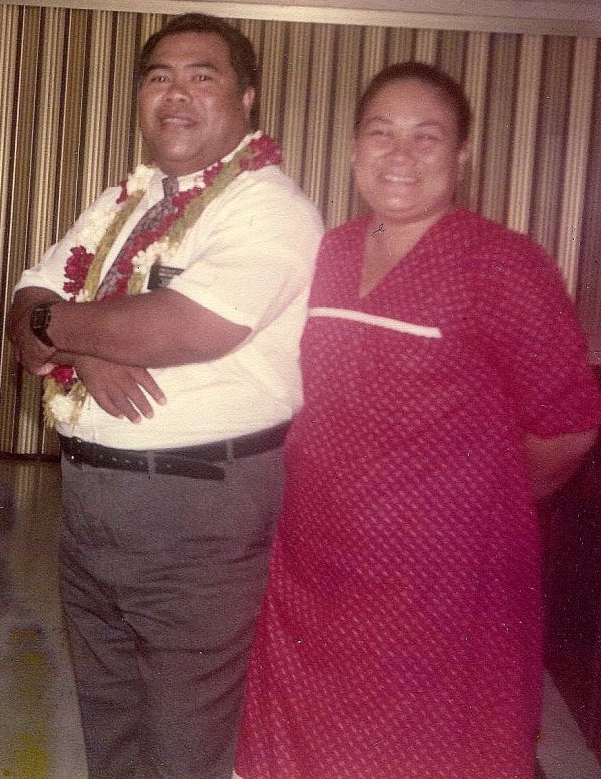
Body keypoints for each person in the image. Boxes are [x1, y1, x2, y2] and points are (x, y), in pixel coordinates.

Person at [234, 61, 601, 779]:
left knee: (433, 749)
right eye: (381, 133)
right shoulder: (328, 253)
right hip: (313, 562)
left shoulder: (507, 267)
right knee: (304, 743)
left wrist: (472, 505)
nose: (399, 155)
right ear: (352, 150)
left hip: (445, 585)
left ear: (462, 157)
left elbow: (568, 424)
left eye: (426, 137)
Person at [6, 13, 322, 779]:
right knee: (109, 721)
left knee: (184, 742)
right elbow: (22, 311)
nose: (175, 94)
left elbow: (185, 328)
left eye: (201, 76)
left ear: (247, 100)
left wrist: (72, 337)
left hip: (201, 512)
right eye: (158, 77)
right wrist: (80, 343)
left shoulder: (268, 207)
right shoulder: (122, 203)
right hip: (87, 504)